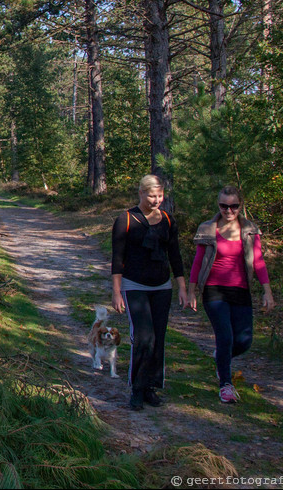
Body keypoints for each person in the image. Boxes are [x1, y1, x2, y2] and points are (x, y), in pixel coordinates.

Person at [188, 185, 273, 404]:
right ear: (218, 205)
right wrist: (191, 290)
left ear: (240, 205)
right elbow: (198, 262)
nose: (229, 210)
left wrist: (267, 290)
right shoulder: (208, 228)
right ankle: (225, 384)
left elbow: (259, 260)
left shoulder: (249, 230)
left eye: (233, 206)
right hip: (214, 290)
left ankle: (221, 359)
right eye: (224, 206)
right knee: (224, 336)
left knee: (244, 341)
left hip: (241, 290)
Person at [111, 174, 189, 411]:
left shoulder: (167, 219)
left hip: (162, 287)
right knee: (144, 337)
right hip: (134, 285)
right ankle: (137, 388)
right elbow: (117, 258)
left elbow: (175, 255)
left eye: (160, 196)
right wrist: (116, 292)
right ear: (141, 193)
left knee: (158, 338)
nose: (156, 200)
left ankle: (150, 388)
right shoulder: (125, 219)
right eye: (151, 195)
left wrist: (182, 288)